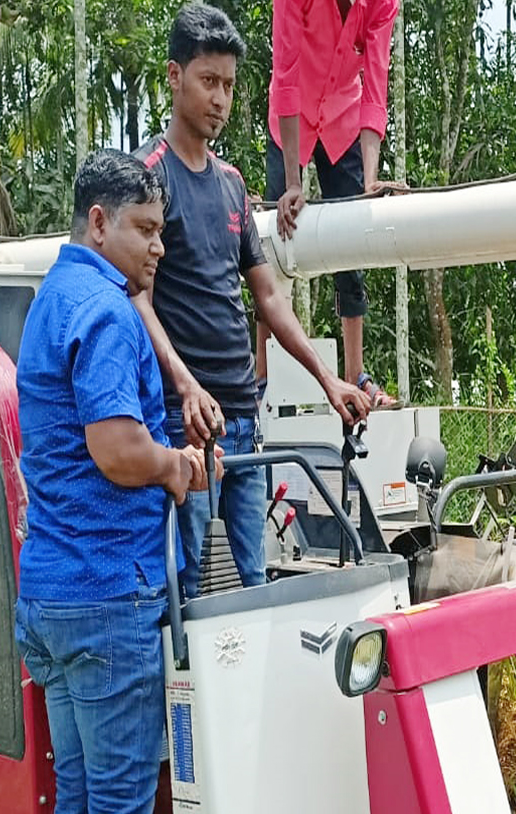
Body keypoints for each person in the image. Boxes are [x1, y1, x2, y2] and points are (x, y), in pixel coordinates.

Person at [15, 150, 217, 814]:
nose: (158, 246)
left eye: (162, 230)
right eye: (143, 229)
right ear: (98, 222)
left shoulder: (50, 299)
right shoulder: (103, 309)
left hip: (52, 600)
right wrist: (179, 465)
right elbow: (116, 447)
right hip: (109, 599)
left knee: (82, 808)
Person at [133, 5, 369, 599]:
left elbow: (267, 296)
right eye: (207, 81)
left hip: (242, 417)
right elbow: (140, 299)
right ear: (174, 75)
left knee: (255, 585)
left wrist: (328, 379)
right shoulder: (147, 179)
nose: (219, 99)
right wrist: (185, 386)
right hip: (180, 423)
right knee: (188, 587)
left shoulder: (233, 184)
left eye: (230, 86)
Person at [264, 0, 402, 407]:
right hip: (291, 119)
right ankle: (262, 376)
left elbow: (376, 82)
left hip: (343, 119)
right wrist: (293, 181)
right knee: (272, 242)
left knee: (352, 246)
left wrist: (371, 180)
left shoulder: (382, 4)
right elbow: (285, 74)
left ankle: (355, 374)